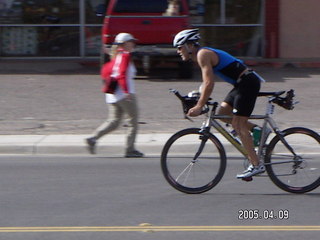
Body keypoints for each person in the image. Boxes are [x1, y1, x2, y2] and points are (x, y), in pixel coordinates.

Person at [173, 29, 266, 179]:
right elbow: (205, 83)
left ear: (189, 46)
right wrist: (198, 97)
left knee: (238, 124)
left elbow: (210, 83)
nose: (178, 51)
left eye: (179, 47)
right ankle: (258, 131)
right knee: (221, 114)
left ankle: (256, 164)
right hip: (241, 83)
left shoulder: (203, 54)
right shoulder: (201, 55)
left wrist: (198, 106)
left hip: (247, 82)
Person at [86, 33, 144, 158]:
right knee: (133, 121)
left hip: (112, 95)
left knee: (114, 121)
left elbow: (105, 72)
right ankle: (130, 149)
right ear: (125, 44)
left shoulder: (115, 56)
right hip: (124, 95)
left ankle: (93, 138)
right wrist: (126, 91)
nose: (133, 43)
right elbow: (121, 74)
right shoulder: (125, 56)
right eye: (131, 41)